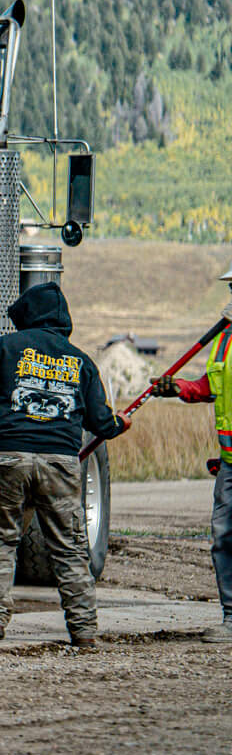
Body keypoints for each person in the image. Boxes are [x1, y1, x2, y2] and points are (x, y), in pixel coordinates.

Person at [0, 281, 126, 647]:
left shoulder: (3, 348)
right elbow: (100, 422)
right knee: (68, 548)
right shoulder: (80, 361)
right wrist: (118, 425)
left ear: (28, 316)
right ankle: (83, 630)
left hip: (6, 458)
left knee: (0, 541)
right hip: (60, 462)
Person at [147, 259, 232, 644]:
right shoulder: (225, 340)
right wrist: (178, 388)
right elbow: (210, 388)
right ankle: (231, 619)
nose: (231, 296)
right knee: (224, 539)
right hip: (230, 463)